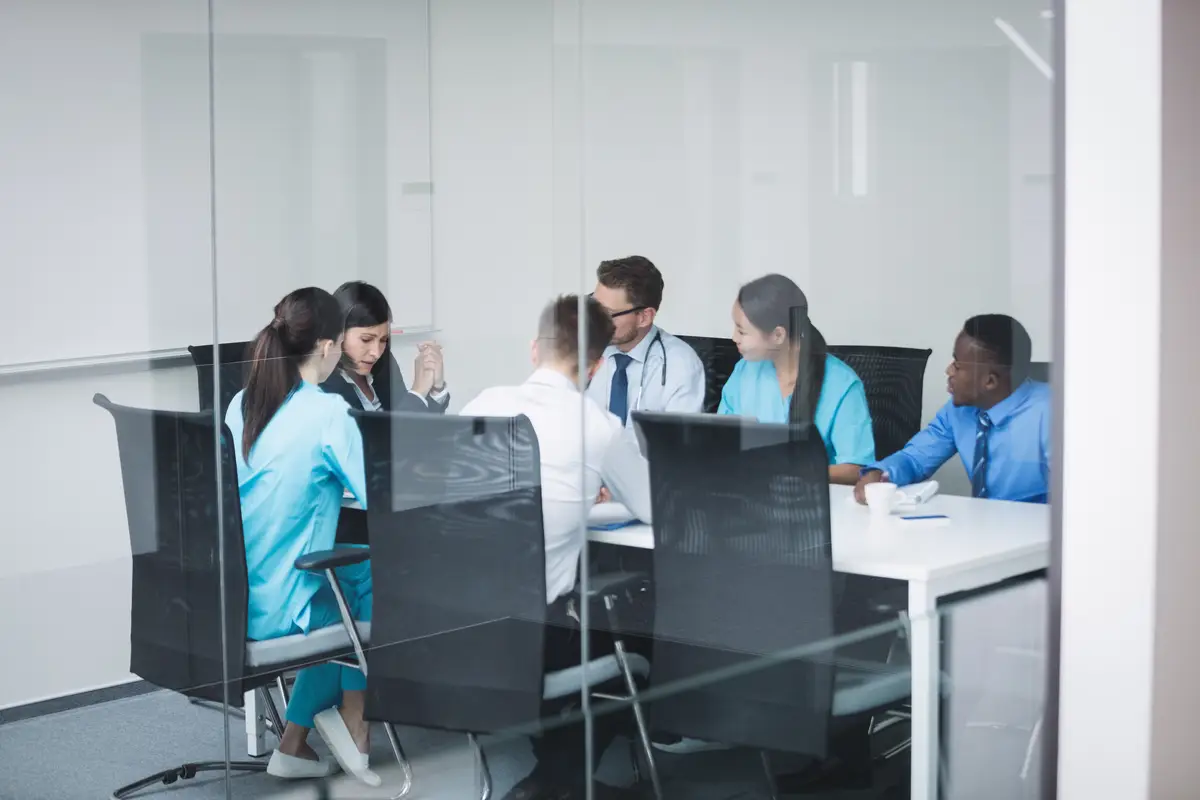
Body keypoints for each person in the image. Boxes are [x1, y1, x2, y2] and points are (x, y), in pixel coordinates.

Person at [461, 295, 652, 800]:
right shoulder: (597, 425)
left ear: (533, 350)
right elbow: (656, 507)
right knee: (644, 624)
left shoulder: (480, 405)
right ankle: (561, 777)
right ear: (594, 366)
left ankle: (555, 775)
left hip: (456, 626)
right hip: (532, 642)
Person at [225, 287, 379, 787]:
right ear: (331, 347)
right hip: (287, 610)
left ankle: (295, 740)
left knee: (353, 575)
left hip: (237, 600)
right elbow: (380, 497)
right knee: (375, 585)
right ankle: (356, 720)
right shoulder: (327, 413)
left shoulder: (240, 404)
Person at [855, 314, 1050, 504]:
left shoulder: (1055, 416)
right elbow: (915, 458)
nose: (948, 371)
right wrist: (880, 474)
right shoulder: (959, 410)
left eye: (957, 366)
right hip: (984, 527)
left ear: (989, 381)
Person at [718, 274, 875, 484]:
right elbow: (719, 441)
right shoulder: (744, 371)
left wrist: (791, 472)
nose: (733, 338)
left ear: (778, 336)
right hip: (750, 497)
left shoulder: (842, 384)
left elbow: (857, 469)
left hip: (816, 503)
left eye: (742, 331)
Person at [585, 256, 705, 426]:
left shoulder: (680, 365)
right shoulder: (585, 350)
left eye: (607, 313)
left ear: (644, 317)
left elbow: (680, 445)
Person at [320, 280, 449, 413]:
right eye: (366, 339)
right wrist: (418, 392)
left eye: (383, 340)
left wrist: (436, 389)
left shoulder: (384, 362)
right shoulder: (322, 380)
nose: (376, 353)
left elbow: (417, 425)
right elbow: (378, 432)